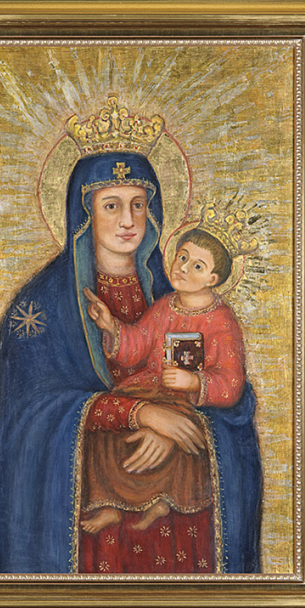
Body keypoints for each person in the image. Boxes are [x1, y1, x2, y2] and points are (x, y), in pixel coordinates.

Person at [0, 101, 262, 574]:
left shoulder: (175, 296)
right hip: (85, 517)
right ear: (84, 214)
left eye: (138, 204)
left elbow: (233, 397)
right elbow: (29, 415)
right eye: (111, 205)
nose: (128, 220)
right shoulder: (41, 307)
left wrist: (178, 429)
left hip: (179, 519)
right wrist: (141, 413)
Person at [80, 227, 246, 536]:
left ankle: (163, 501)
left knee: (185, 439)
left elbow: (231, 381)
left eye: (197, 265)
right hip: (147, 388)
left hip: (185, 401)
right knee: (106, 429)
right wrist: (110, 326)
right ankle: (109, 503)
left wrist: (194, 382)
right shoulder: (164, 306)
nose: (183, 268)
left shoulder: (222, 320)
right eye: (182, 257)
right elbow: (136, 344)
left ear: (212, 278)